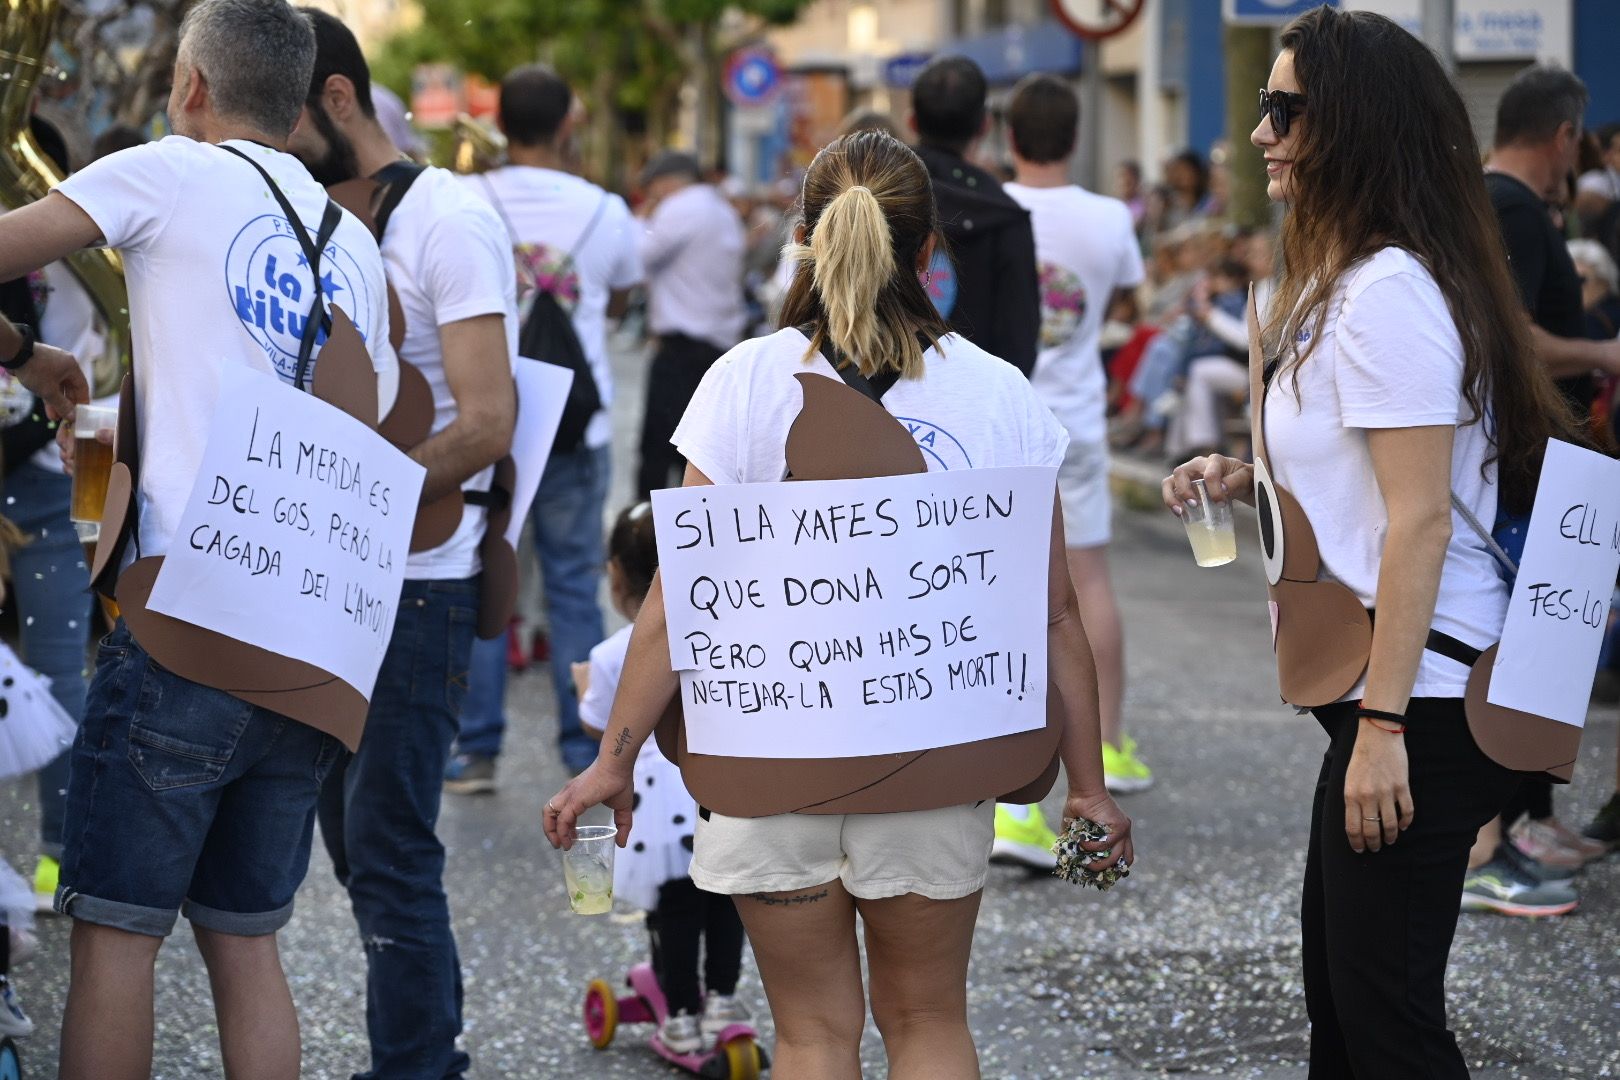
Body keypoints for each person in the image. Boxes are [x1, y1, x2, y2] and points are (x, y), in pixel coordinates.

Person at [544, 129, 1134, 1080]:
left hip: (769, 763)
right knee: (929, 1021)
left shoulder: (743, 384)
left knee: (814, 1035)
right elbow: (1056, 612)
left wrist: (612, 764)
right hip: (940, 764)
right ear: (930, 254)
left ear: (802, 241)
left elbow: (677, 602)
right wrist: (1089, 785)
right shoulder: (998, 396)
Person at [1164, 8, 1580, 1073]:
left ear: (1352, 127)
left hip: (1421, 700)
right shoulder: (1334, 287)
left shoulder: (1389, 292)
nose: (1260, 132)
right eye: (1264, 107)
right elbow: (1375, 481)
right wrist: (1248, 475)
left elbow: (1423, 517)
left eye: (1285, 110)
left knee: (1386, 1023)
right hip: (1375, 693)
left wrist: (1384, 729)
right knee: (1347, 1011)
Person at [0, 2, 397, 1075]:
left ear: (191, 90)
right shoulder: (356, 246)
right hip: (312, 641)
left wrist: (19, 347)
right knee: (246, 942)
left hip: (186, 624)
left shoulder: (169, 172)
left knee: (118, 937)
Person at [291, 11, 518, 1078]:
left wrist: (350, 487)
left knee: (386, 853)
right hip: (333, 579)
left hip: (418, 585)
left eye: (281, 120)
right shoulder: (315, 213)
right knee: (359, 847)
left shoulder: (448, 218)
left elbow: (484, 420)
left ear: (339, 100)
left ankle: (419, 1066)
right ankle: (430, 1051)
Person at [449, 64, 644, 788]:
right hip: (574, 425)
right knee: (571, 584)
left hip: (487, 420)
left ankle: (476, 749)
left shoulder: (464, 196)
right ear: (567, 124)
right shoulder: (605, 208)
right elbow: (623, 295)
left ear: (499, 122)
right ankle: (584, 745)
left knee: (482, 578)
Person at [992, 74, 1149, 871]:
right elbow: (1125, 294)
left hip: (1009, 422)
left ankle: (1015, 798)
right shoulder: (1109, 217)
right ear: (1076, 135)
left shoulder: (992, 209)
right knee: (1088, 585)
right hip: (1080, 417)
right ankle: (1110, 745)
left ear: (1009, 135)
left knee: (1012, 602)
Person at [1466, 64, 1613, 907]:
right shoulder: (1514, 206)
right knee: (1528, 652)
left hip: (1533, 464)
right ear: (1560, 137)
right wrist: (1602, 354)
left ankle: (1516, 824)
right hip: (1536, 466)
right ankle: (1495, 839)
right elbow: (1513, 336)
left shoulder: (1502, 204)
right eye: (1579, 142)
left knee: (1536, 653)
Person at [574, 502, 750, 1055]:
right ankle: (722, 999)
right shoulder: (724, 634)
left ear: (617, 577)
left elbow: (599, 727)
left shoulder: (608, 655)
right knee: (724, 904)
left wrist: (585, 687)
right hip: (715, 796)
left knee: (671, 913)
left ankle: (678, 1016)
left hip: (657, 811)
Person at [0, 115, 98, 915]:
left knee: (61, 674)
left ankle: (54, 864)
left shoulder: (79, 266)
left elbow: (90, 375)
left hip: (47, 484)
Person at [909, 55, 1040, 377]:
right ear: (985, 124)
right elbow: (1019, 346)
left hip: (875, 408)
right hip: (971, 412)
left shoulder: (875, 196)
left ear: (912, 122)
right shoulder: (1005, 215)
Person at [636, 150, 746, 498]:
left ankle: (651, 538)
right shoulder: (722, 210)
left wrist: (644, 217)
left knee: (658, 451)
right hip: (719, 346)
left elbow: (637, 255)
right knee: (706, 453)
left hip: (681, 348)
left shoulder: (680, 207)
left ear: (667, 184)